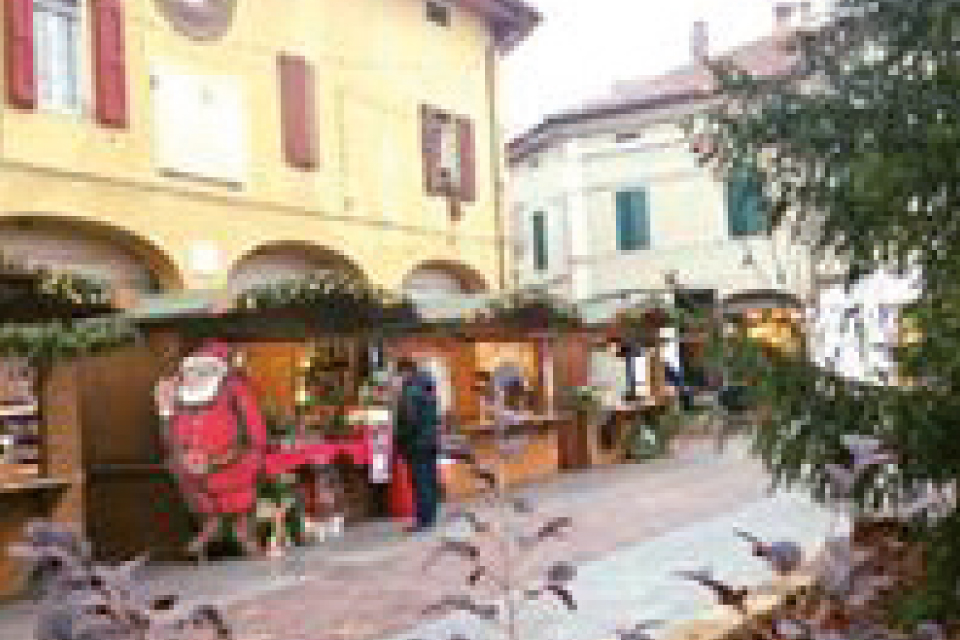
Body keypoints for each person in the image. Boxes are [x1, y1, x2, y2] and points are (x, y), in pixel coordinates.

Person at [393, 358, 441, 533]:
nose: (397, 378)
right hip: (430, 440)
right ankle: (430, 515)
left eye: (398, 374)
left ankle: (423, 519)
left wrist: (399, 437)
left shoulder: (410, 391)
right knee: (429, 478)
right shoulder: (428, 387)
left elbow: (410, 420)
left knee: (420, 481)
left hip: (416, 443)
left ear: (405, 372)